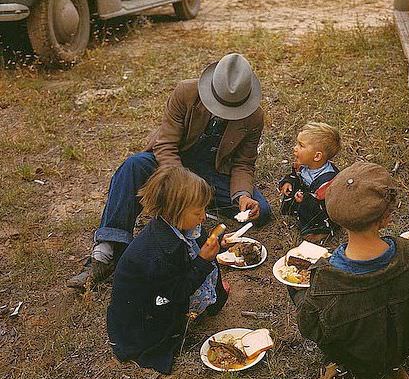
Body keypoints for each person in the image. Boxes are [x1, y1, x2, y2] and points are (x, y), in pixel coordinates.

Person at [68, 53, 272, 289]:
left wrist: (243, 196)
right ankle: (106, 250)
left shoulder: (254, 116)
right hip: (175, 159)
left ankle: (198, 206)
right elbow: (165, 144)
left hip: (212, 172)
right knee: (133, 167)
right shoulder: (185, 92)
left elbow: (243, 164)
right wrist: (180, 183)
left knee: (262, 210)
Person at [292, 162, 409, 379]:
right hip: (400, 341)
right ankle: (391, 366)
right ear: (386, 217)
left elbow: (310, 327)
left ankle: (347, 365)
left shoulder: (327, 279)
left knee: (298, 291)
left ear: (337, 217)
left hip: (352, 348)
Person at [107, 166, 228, 374]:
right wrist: (202, 261)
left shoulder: (179, 226)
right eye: (198, 212)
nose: (204, 217)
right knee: (198, 272)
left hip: (158, 296)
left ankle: (209, 300)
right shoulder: (159, 253)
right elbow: (175, 291)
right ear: (175, 211)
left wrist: (219, 246)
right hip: (143, 321)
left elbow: (196, 248)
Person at [278, 122, 341, 242]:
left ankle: (321, 231)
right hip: (304, 197)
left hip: (320, 209)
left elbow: (326, 204)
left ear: (317, 156)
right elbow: (294, 176)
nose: (295, 148)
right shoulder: (303, 166)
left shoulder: (328, 180)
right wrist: (288, 182)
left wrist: (305, 199)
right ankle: (295, 210)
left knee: (320, 216)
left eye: (301, 146)